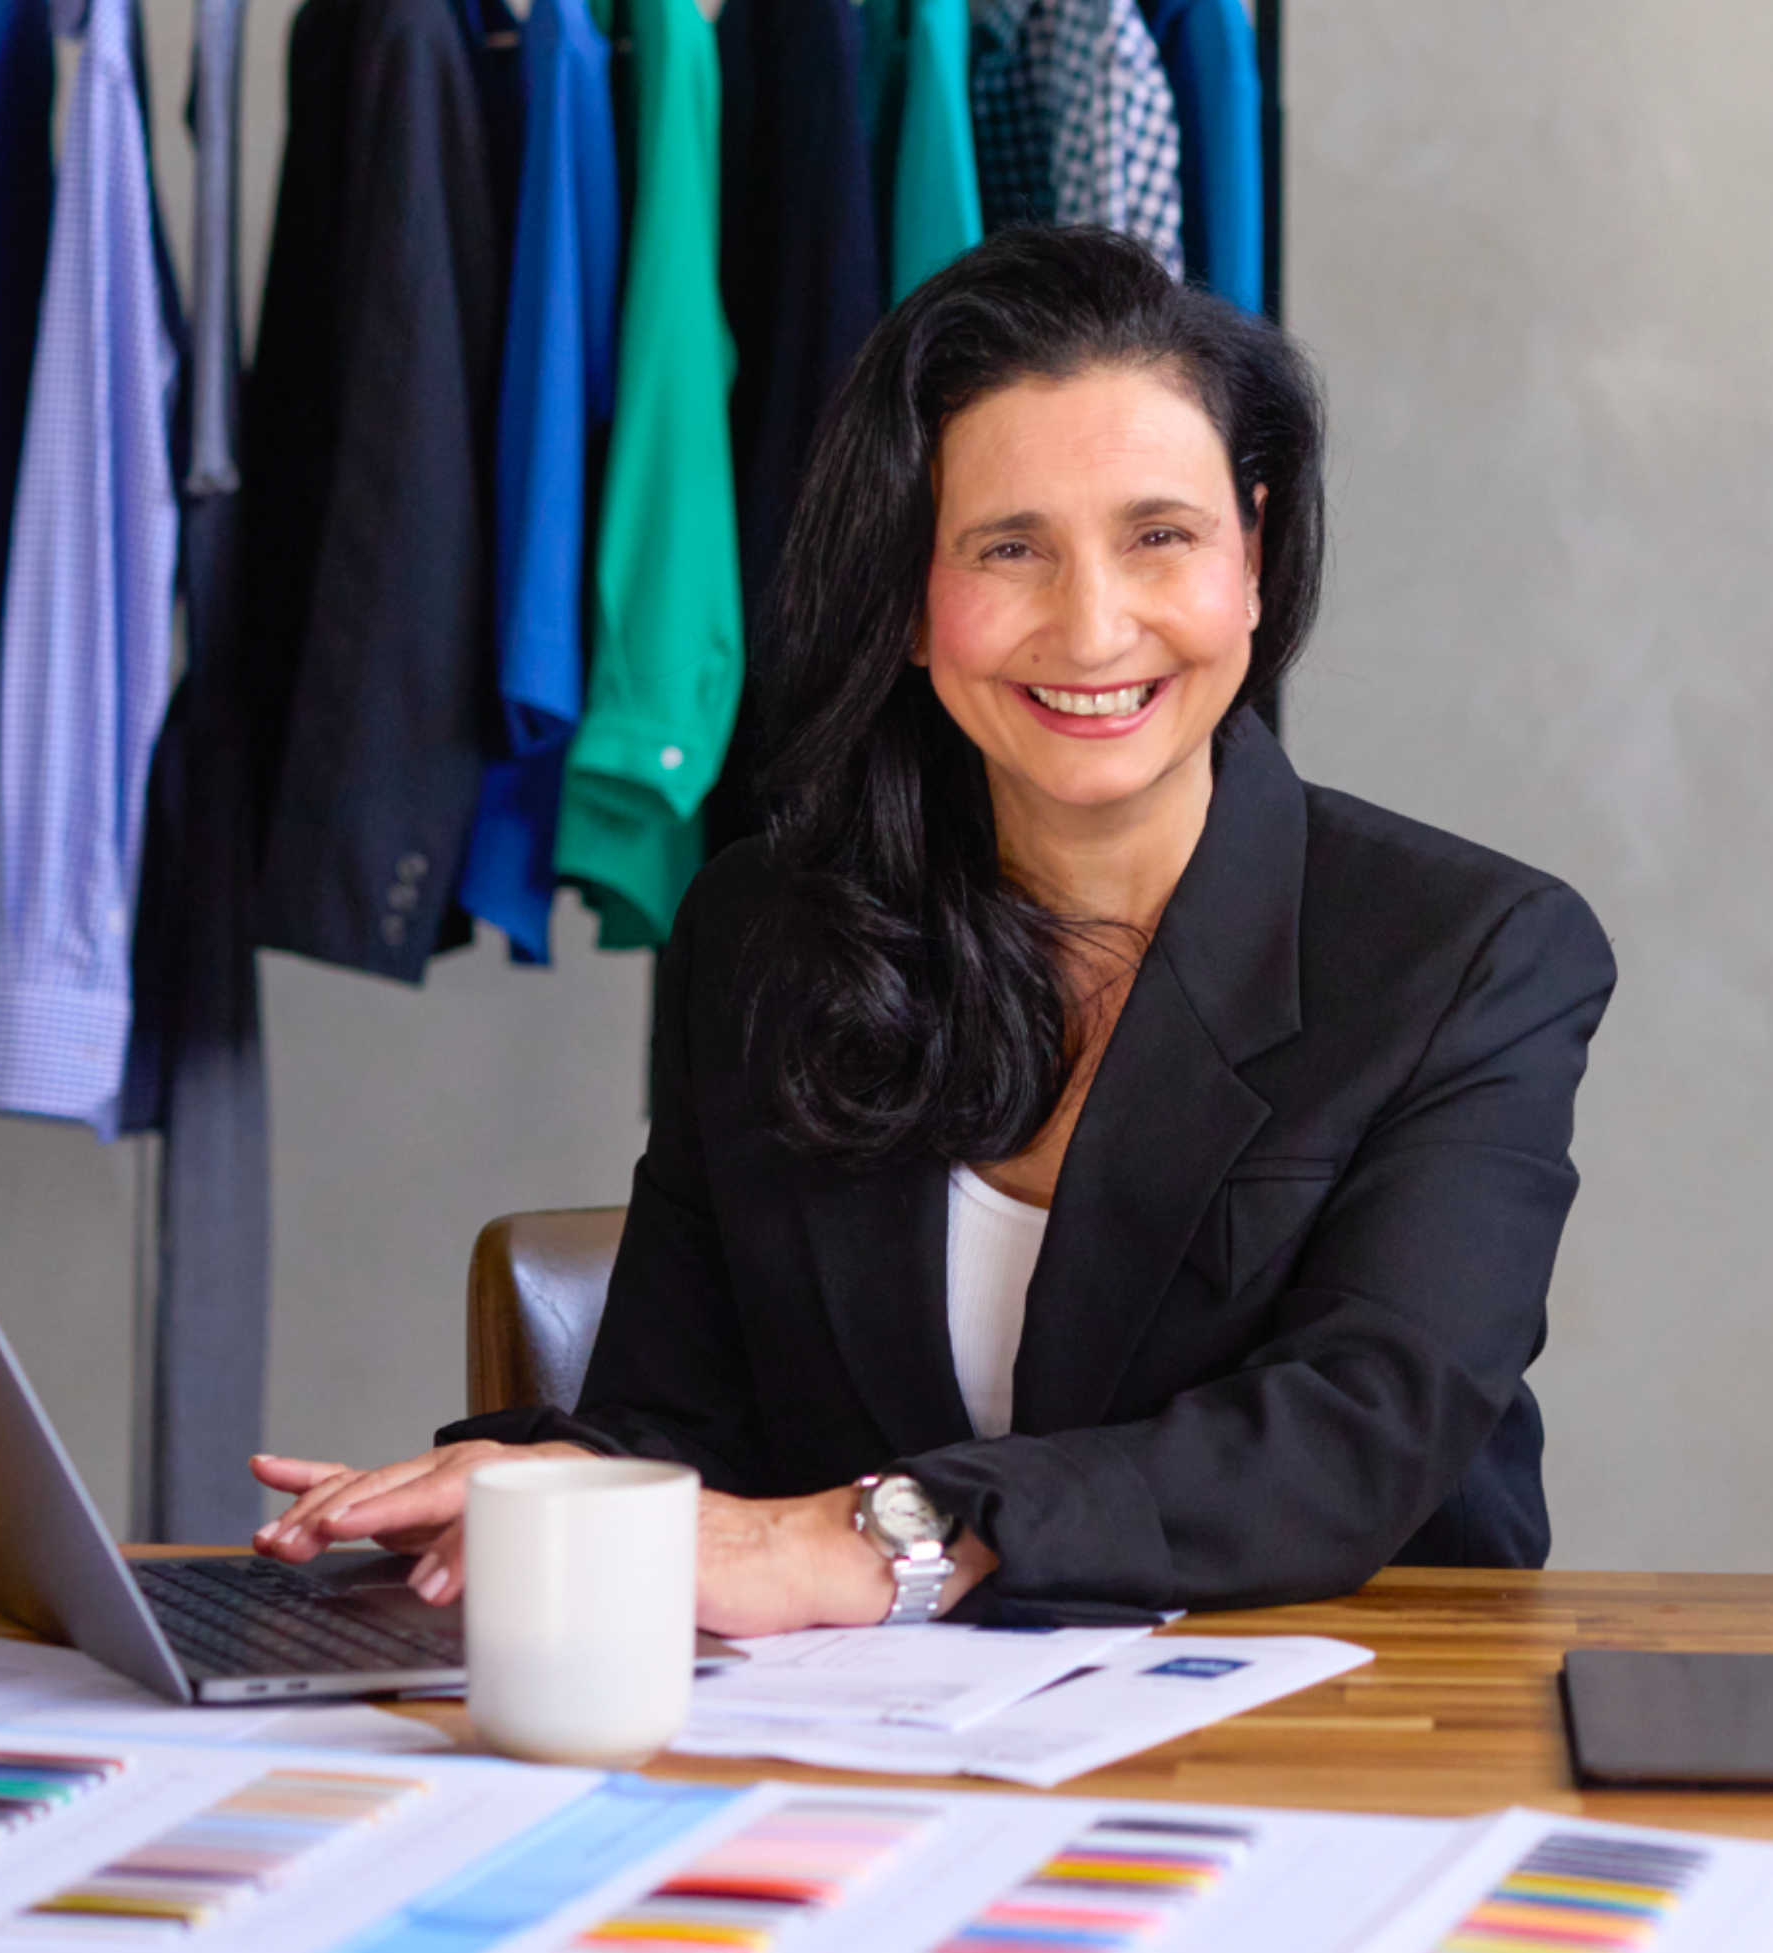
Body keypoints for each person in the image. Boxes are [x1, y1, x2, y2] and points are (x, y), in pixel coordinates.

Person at [250, 226, 1616, 1632]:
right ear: (907, 598)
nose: (1093, 631)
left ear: (1254, 560)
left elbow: (1353, 1438)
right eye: (1008, 549)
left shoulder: (1472, 955)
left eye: (1162, 537)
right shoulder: (766, 929)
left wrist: (874, 1543)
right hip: (894, 1760)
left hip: (1360, 1741)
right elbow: (685, 1416)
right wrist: (545, 1489)